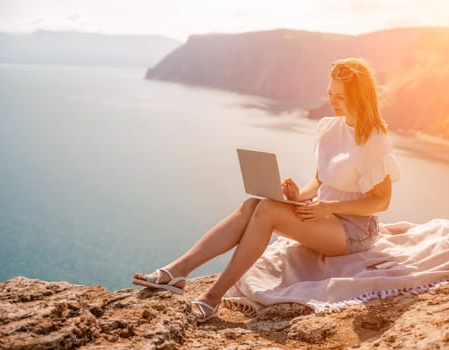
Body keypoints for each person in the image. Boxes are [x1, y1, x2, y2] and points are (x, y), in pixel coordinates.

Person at [132, 58, 400, 323]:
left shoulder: (374, 137)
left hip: (354, 230)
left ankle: (212, 298)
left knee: (268, 211)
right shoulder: (330, 128)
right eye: (330, 93)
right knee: (252, 205)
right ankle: (177, 272)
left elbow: (381, 201)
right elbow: (320, 181)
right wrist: (299, 196)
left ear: (358, 96)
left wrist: (329, 207)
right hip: (321, 216)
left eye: (340, 96)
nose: (332, 100)